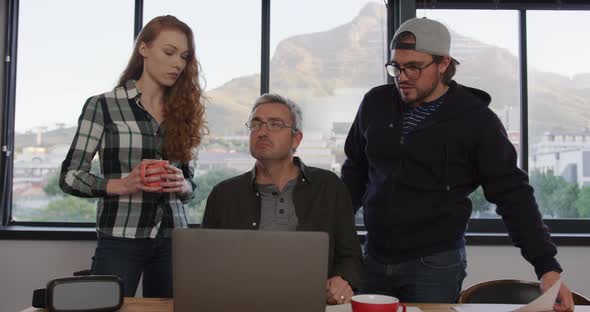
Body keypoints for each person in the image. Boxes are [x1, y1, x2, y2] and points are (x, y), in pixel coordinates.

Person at [341, 17, 574, 311]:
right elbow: (354, 173)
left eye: (414, 66)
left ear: (443, 64)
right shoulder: (375, 102)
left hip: (434, 264)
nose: (402, 76)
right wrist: (334, 240)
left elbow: (512, 193)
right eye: (396, 66)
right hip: (373, 256)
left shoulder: (476, 120)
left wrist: (546, 266)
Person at [59, 15, 206, 298]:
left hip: (174, 239)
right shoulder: (103, 106)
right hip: (120, 238)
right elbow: (69, 177)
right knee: (104, 307)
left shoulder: (184, 111)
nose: (178, 63)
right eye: (169, 52)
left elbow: (190, 186)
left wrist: (183, 185)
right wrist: (122, 185)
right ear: (144, 49)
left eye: (184, 56)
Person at [201, 94, 362, 305]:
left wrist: (342, 280)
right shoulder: (223, 194)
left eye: (275, 124)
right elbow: (204, 262)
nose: (262, 132)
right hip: (241, 303)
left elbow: (351, 256)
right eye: (256, 124)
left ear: (296, 139)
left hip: (313, 303)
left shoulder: (329, 187)